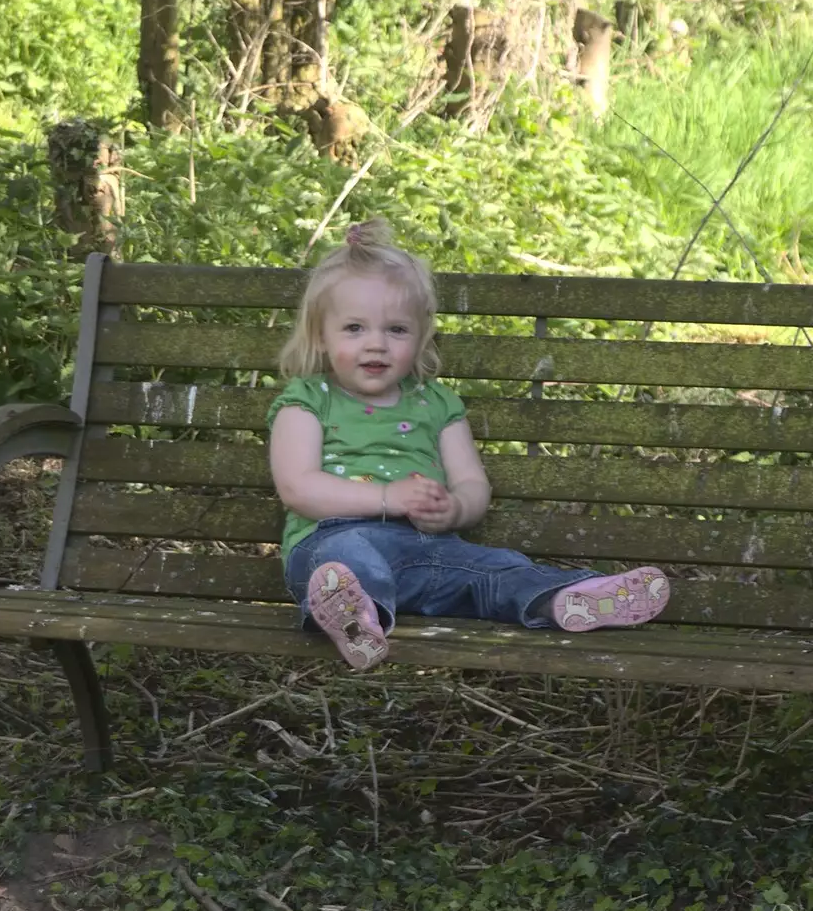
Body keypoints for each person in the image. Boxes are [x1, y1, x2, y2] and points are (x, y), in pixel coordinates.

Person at [266, 219, 671, 670]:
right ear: (322, 335)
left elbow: (471, 485)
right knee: (348, 562)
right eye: (355, 328)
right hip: (330, 543)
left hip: (424, 549)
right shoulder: (308, 399)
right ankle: (359, 620)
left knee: (491, 569)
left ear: (420, 336)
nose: (376, 344)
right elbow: (298, 487)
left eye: (397, 330)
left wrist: (454, 510)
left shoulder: (436, 404)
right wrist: (386, 497)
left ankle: (567, 597)